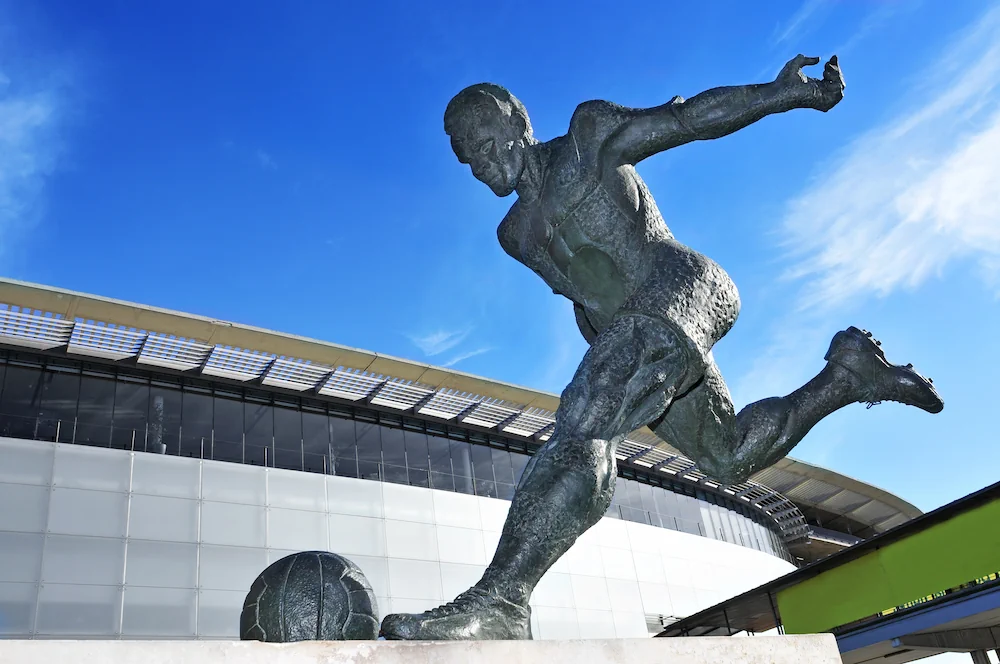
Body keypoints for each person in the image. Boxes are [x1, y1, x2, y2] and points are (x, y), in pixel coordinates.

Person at [380, 55, 943, 641]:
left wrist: (784, 95)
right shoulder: (514, 235)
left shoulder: (585, 138)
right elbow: (586, 294)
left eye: (482, 139)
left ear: (517, 121)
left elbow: (689, 119)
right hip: (637, 332)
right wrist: (606, 346)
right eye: (464, 154)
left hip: (684, 286)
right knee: (728, 457)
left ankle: (501, 600)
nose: (478, 160)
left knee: (584, 422)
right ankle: (847, 377)